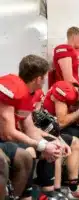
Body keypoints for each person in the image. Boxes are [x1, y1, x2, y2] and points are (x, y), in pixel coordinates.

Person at [0, 55, 69, 200]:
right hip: (4, 138)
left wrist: (55, 141)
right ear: (38, 79)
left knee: (40, 150)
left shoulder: (28, 93)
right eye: (44, 77)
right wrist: (42, 146)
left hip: (5, 139)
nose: (44, 81)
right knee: (11, 158)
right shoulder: (13, 89)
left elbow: (30, 129)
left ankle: (30, 194)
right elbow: (8, 133)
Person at [32, 90, 79, 199]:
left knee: (74, 141)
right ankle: (52, 189)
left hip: (38, 133)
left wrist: (60, 140)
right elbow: (27, 128)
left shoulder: (38, 93)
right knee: (52, 147)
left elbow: (46, 126)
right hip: (28, 136)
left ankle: (73, 187)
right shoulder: (23, 102)